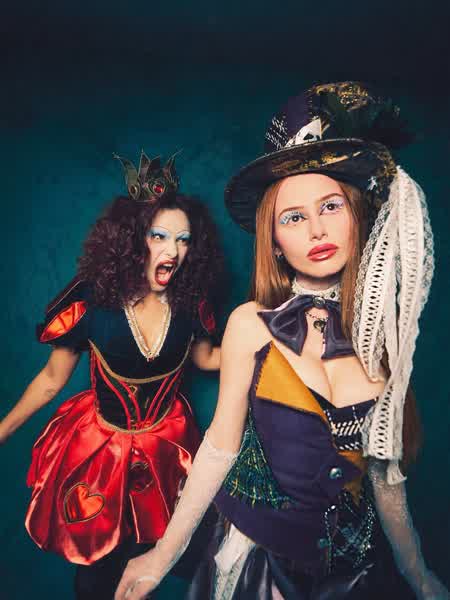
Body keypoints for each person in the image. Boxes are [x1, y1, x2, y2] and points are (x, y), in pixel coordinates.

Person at [115, 83, 449, 600]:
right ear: (274, 239)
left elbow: (387, 479)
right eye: (294, 217)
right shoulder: (250, 323)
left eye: (331, 206)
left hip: (354, 576)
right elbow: (219, 449)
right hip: (262, 570)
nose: (316, 229)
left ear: (357, 214)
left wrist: (419, 574)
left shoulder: (382, 338)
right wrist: (162, 556)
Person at [0, 150, 223, 599]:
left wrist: (261, 334)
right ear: (131, 238)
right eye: (159, 236)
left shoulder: (191, 302)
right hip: (102, 450)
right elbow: (51, 380)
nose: (173, 251)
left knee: (170, 558)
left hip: (167, 447)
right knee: (97, 572)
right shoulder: (91, 300)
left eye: (183, 240)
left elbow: (205, 359)